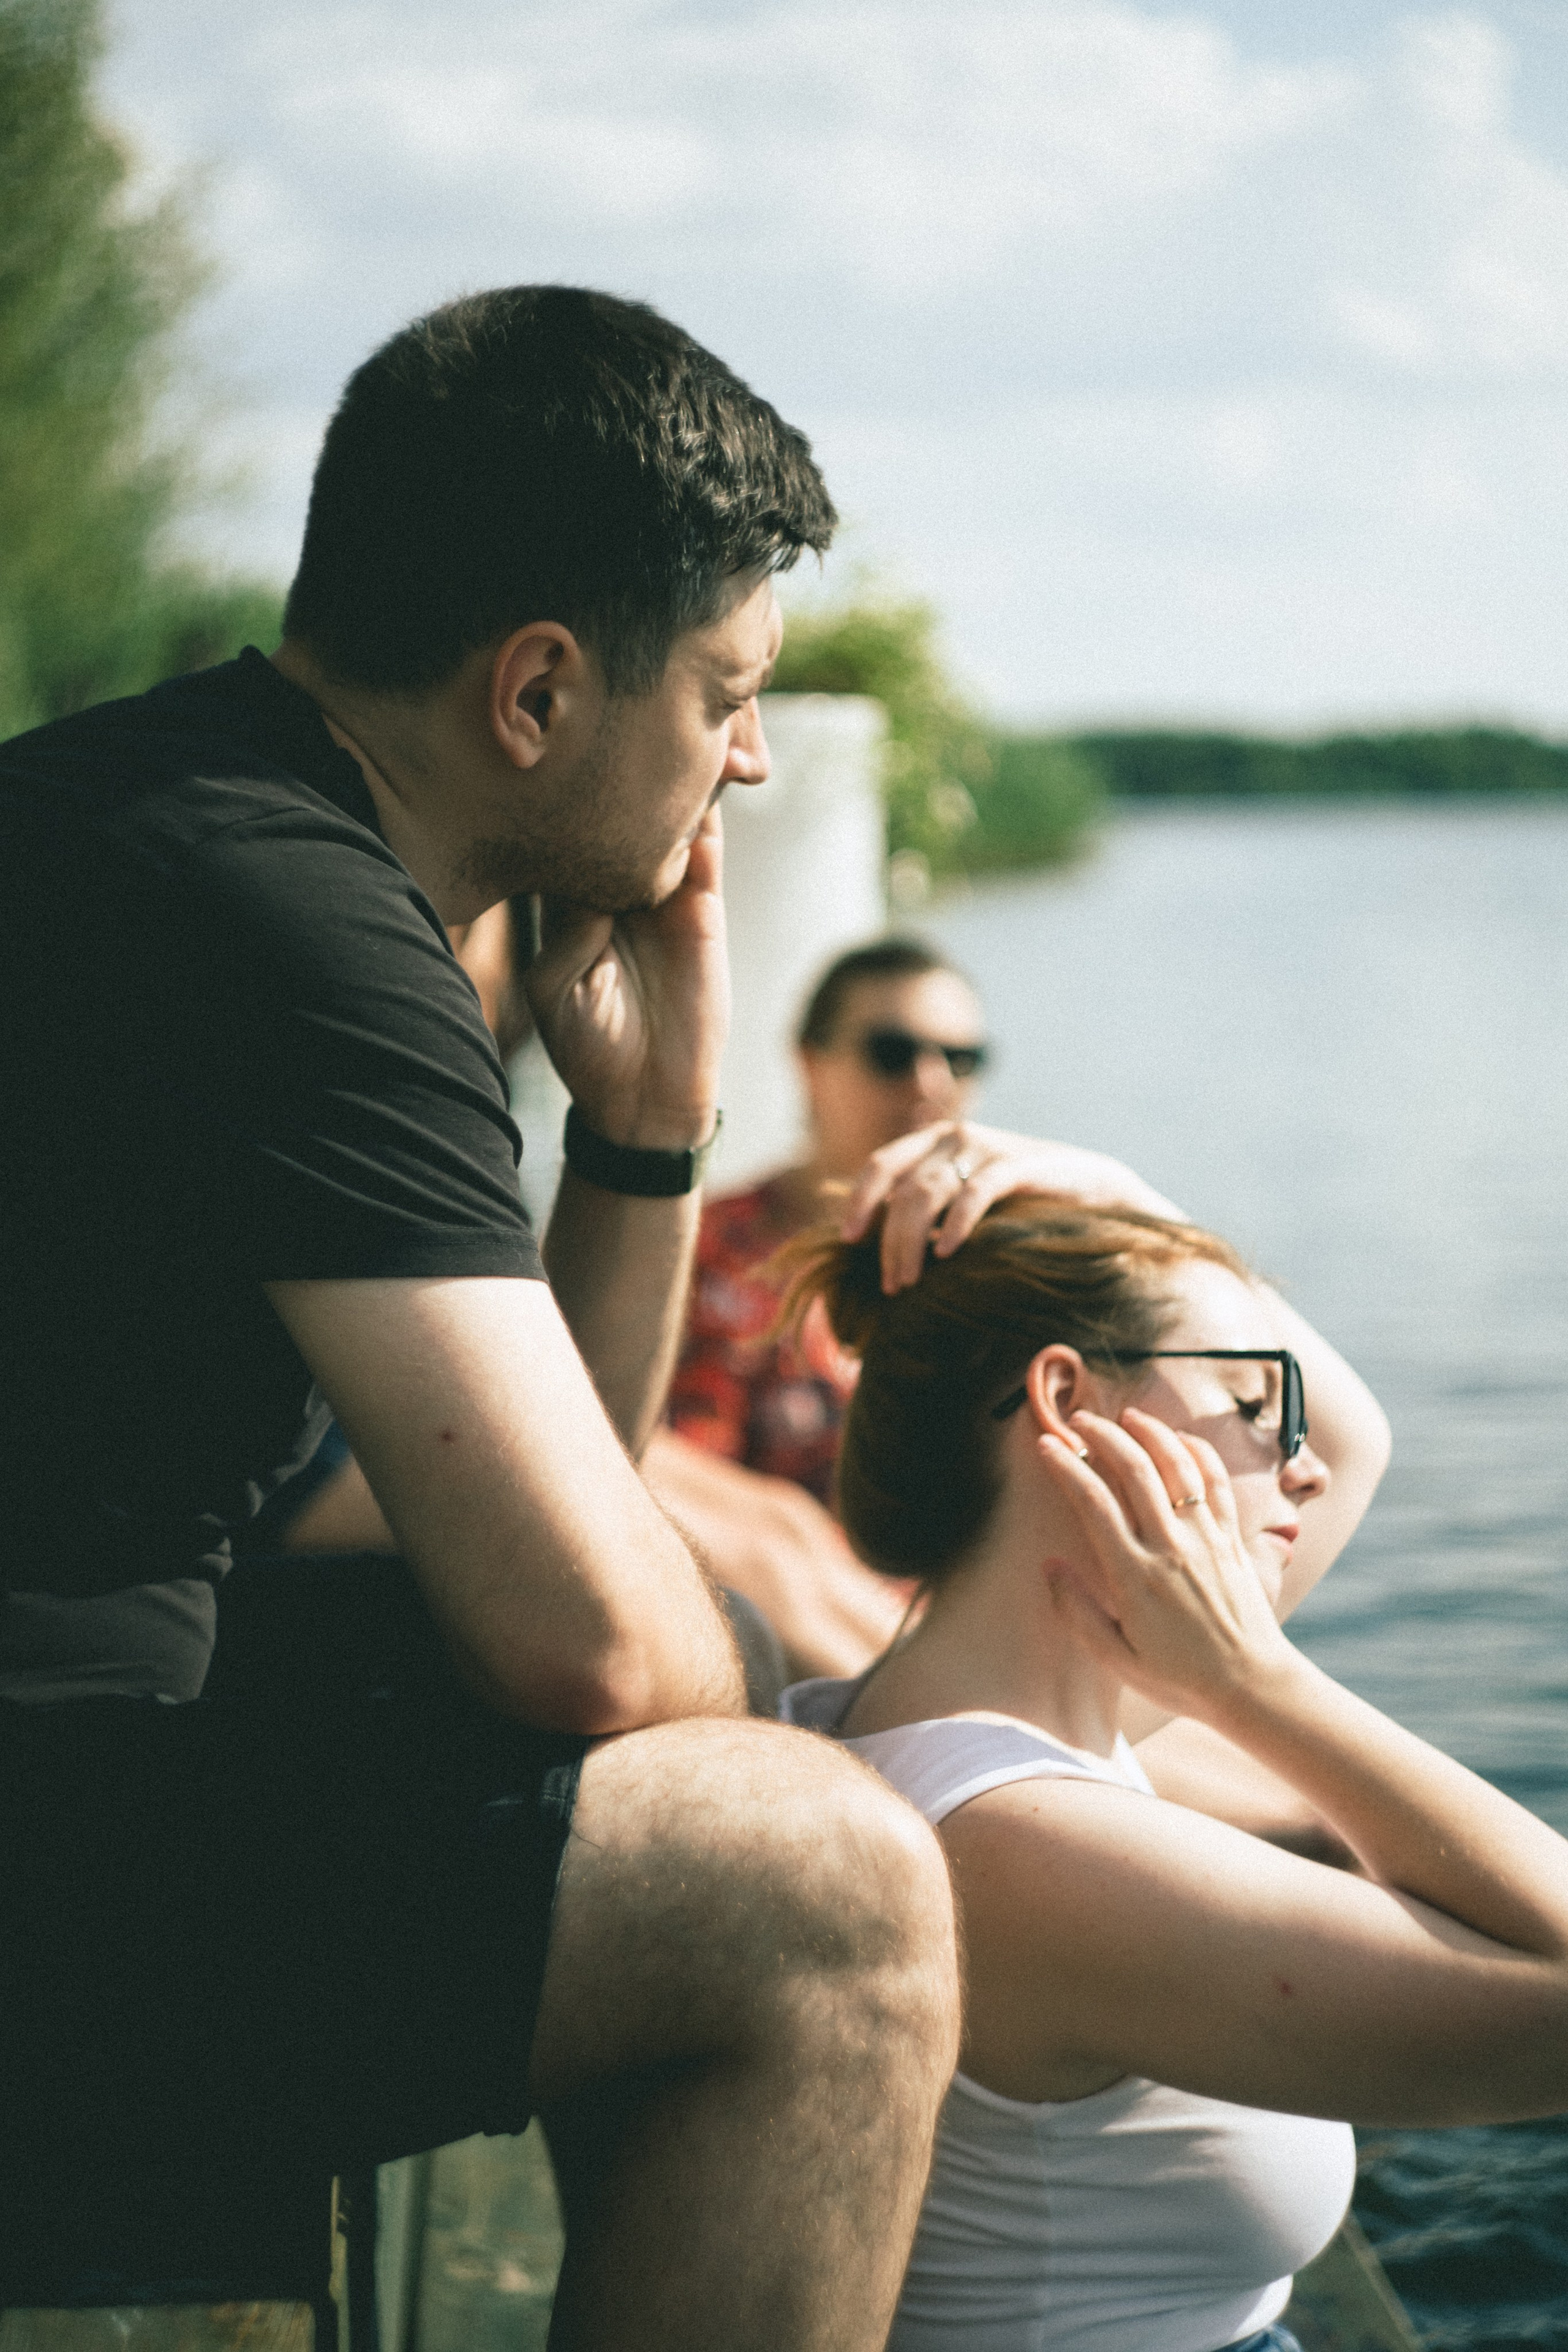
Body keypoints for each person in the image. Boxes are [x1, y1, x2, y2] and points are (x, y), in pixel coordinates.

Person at [0, 285, 964, 2346]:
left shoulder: (158, 814)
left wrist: (638, 1140)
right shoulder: (302, 925)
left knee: (720, 1669)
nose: (756, 756)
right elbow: (590, 1640)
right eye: (723, 690)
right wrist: (723, 1685)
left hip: (98, 1742)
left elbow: (512, 1541)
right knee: (831, 1893)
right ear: (535, 690)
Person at [780, 1199, 1568, 2352]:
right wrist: (1256, 1681)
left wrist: (1085, 1183)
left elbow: (1357, 1446)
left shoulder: (991, 1722)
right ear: (1067, 1405)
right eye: (1256, 1405)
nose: (1301, 1467)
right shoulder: (1022, 1845)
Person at [647, 937, 1185, 1676]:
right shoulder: (706, 1250)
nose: (930, 1082)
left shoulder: (1004, 1257)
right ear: (810, 1063)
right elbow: (652, 1468)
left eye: (961, 1060)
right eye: (893, 1053)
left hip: (1003, 1629)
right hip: (807, 1639)